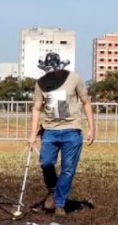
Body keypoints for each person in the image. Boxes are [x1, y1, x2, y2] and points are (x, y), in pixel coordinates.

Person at [28, 52, 95, 216]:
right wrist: (32, 133)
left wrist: (92, 127)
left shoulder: (74, 78)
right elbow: (37, 108)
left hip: (72, 130)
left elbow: (86, 102)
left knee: (68, 169)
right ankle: (53, 189)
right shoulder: (41, 83)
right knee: (46, 163)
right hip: (50, 131)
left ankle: (59, 204)